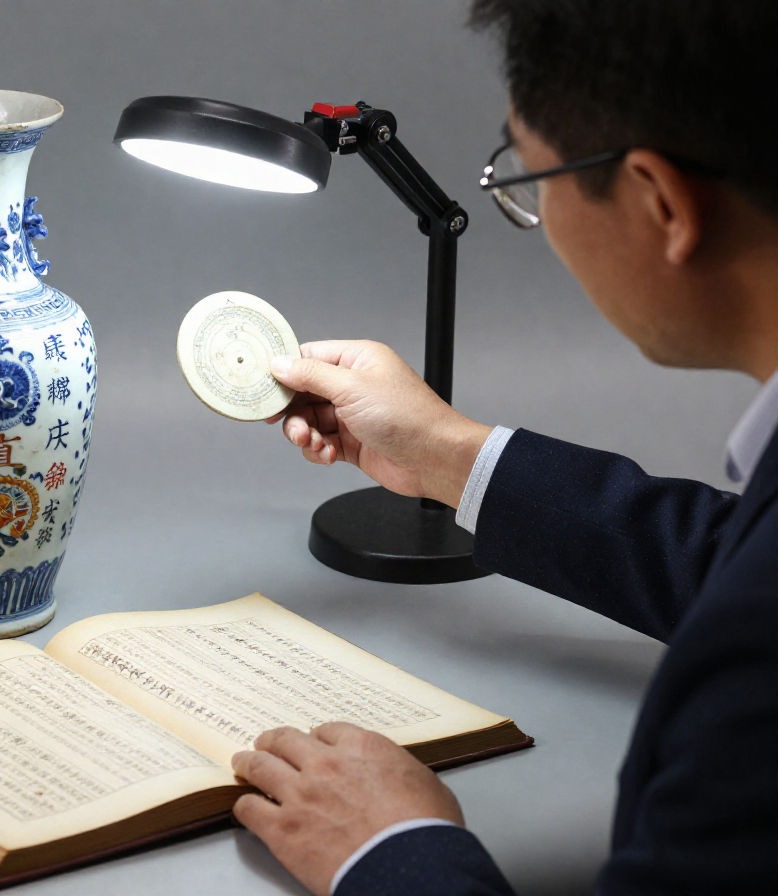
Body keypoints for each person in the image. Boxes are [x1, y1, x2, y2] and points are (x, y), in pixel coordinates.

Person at [228, 2, 778, 894]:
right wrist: (447, 455)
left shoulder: (747, 698)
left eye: (531, 174)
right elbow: (739, 556)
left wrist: (393, 847)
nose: (536, 209)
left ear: (661, 202)